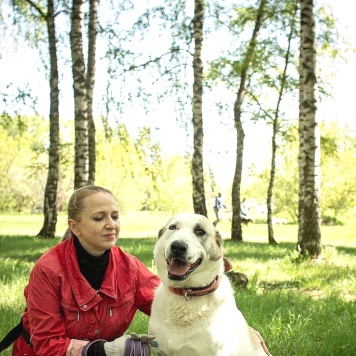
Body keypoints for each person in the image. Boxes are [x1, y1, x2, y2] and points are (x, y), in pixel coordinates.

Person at [11, 185, 160, 356]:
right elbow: (47, 344)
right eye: (98, 218)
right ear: (74, 227)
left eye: (115, 216)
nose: (111, 225)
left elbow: (169, 305)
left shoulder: (130, 268)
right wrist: (104, 350)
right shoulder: (47, 271)